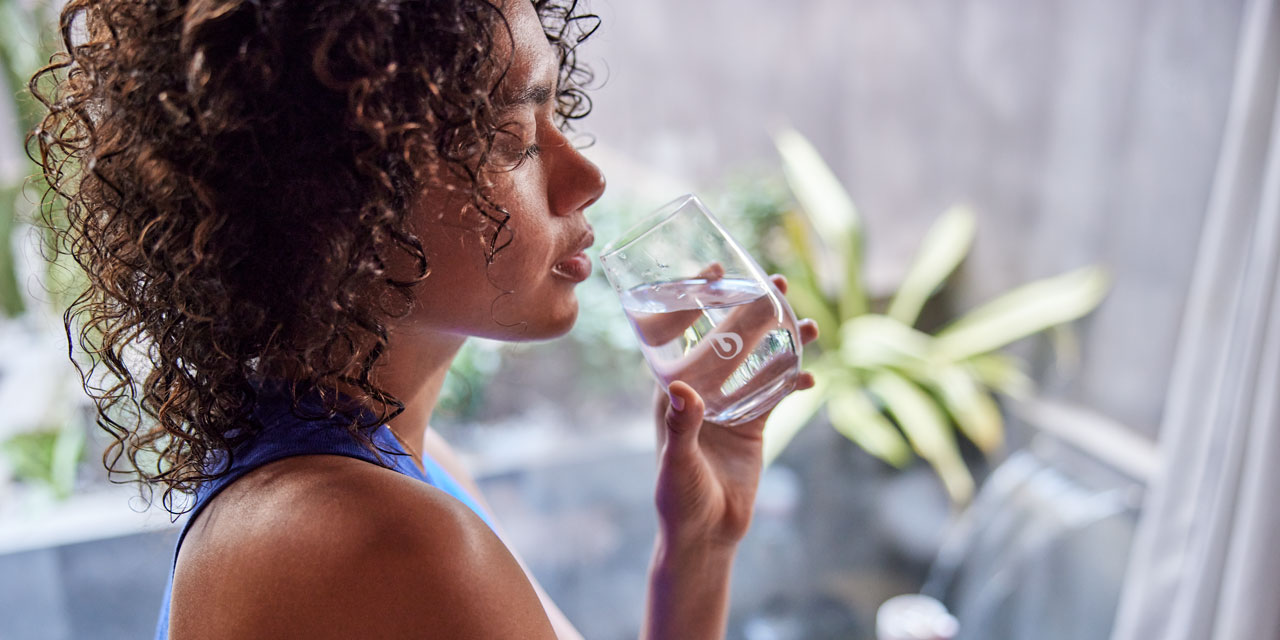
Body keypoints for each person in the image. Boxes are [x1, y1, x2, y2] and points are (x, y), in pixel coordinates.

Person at [29, 0, 820, 637]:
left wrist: (700, 546)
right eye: (513, 139)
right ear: (340, 193)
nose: (586, 176)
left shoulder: (397, 464)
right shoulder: (371, 539)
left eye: (555, 112)